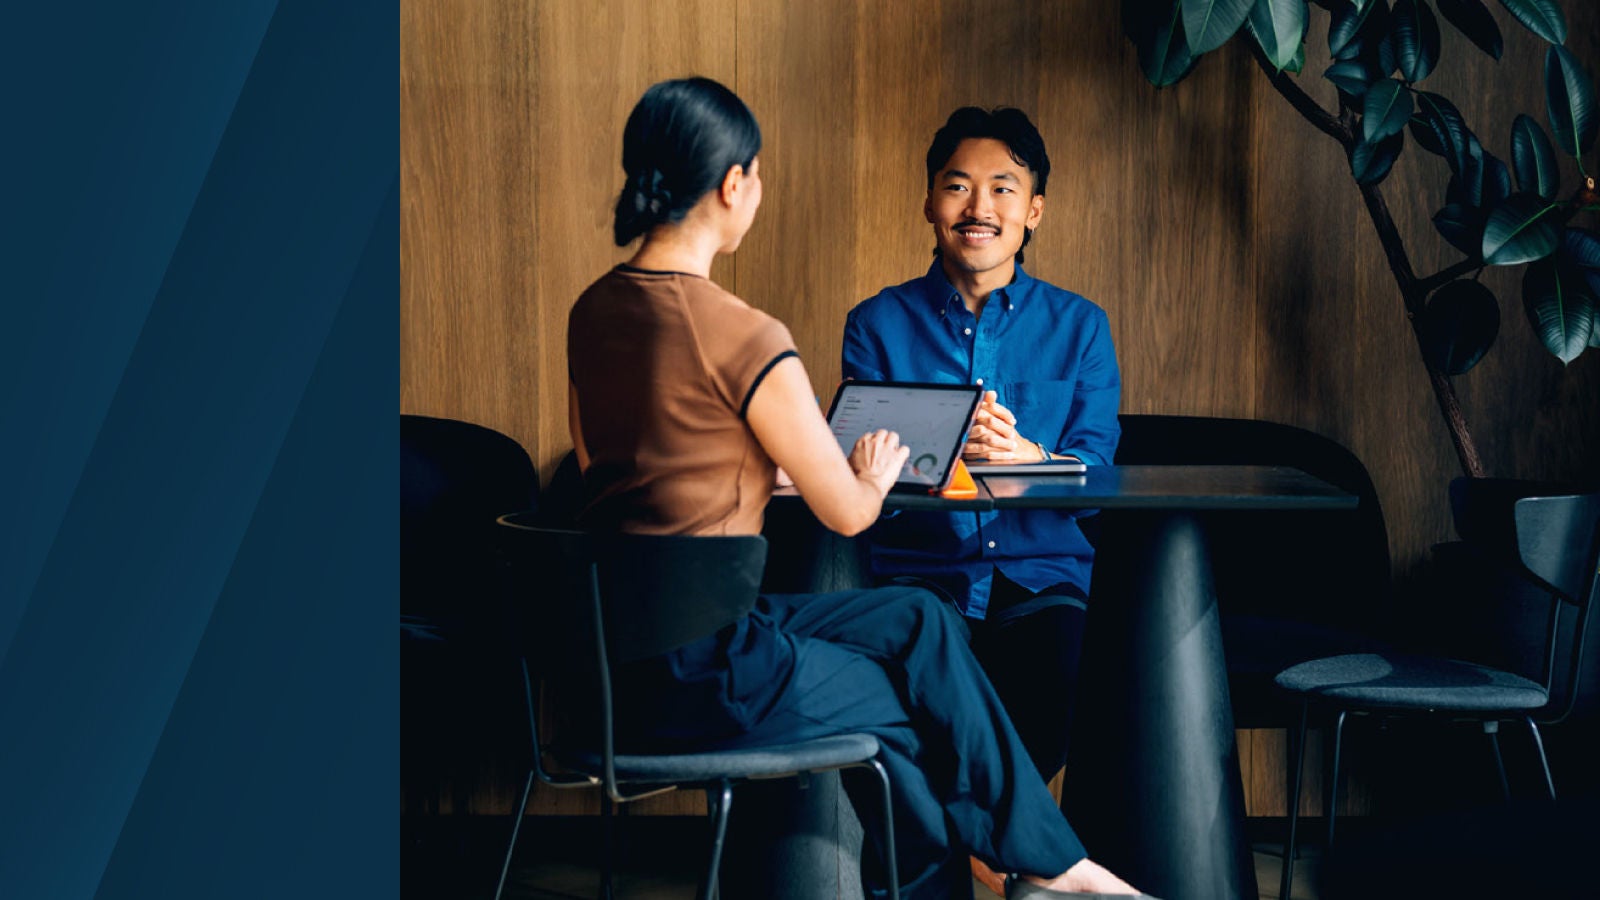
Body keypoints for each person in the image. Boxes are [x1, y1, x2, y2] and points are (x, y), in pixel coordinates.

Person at [566, 77, 1149, 899]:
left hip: (601, 645)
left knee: (912, 626)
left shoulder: (593, 310)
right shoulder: (746, 332)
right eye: (758, 175)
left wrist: (742, 465)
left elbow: (604, 461)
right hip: (711, 659)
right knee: (902, 704)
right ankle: (1050, 866)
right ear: (734, 185)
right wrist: (869, 470)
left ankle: (1030, 864)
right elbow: (845, 508)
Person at [842, 107, 1120, 788]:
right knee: (900, 699)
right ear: (930, 202)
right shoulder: (875, 325)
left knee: (1068, 673)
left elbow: (1100, 474)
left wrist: (1033, 457)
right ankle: (1005, 868)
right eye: (958, 185)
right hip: (920, 577)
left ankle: (974, 858)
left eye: (1003, 188)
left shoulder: (1082, 327)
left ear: (1034, 212)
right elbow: (857, 478)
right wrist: (930, 456)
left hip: (1043, 581)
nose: (979, 206)